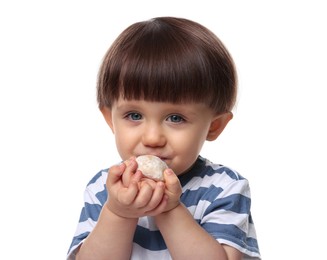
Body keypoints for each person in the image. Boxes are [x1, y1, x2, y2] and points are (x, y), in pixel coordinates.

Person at [67, 16, 261, 260]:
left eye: (176, 118)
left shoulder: (224, 188)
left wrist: (170, 209)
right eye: (134, 115)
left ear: (214, 126)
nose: (152, 138)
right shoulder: (104, 188)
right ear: (110, 119)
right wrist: (118, 213)